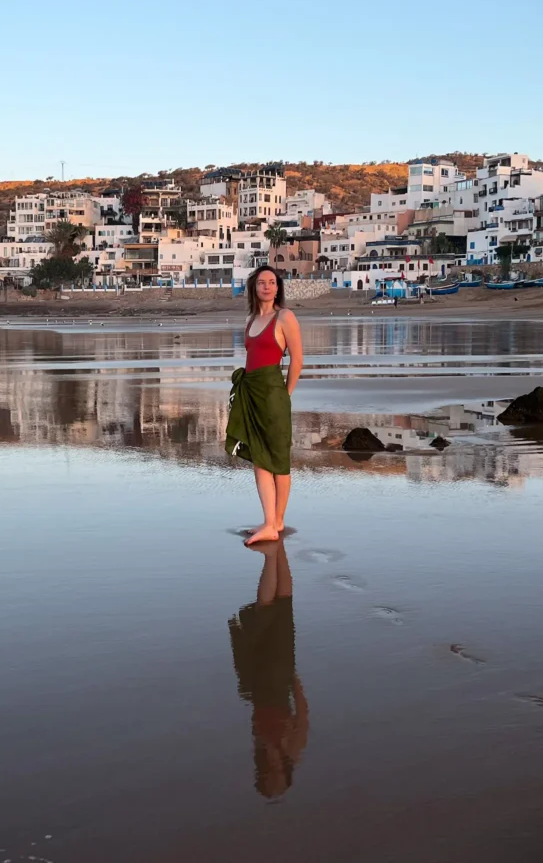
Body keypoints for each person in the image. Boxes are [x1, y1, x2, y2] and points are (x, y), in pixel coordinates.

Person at [225, 266, 303, 545]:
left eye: (272, 282)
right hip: (251, 392)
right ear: (254, 288)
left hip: (273, 393)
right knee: (260, 457)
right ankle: (273, 521)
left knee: (277, 459)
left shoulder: (285, 317)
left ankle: (273, 522)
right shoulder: (250, 320)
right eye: (262, 283)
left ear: (278, 287)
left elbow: (297, 359)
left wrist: (286, 394)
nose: (267, 287)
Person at [228, 542, 309, 799]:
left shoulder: (262, 748)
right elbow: (303, 716)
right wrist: (294, 679)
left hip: (265, 680)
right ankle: (275, 551)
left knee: (273, 609)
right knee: (281, 606)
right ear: (285, 779)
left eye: (268, 781)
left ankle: (274, 552)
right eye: (277, 782)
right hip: (278, 676)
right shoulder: (291, 752)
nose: (272, 777)